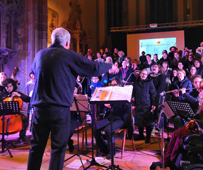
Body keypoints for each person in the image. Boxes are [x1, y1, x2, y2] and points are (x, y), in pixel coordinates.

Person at [27, 27, 112, 170]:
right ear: (67, 43)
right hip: (59, 110)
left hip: (39, 109)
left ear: (53, 40)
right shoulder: (68, 55)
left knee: (36, 148)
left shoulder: (40, 54)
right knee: (58, 149)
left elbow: (35, 72)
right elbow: (94, 68)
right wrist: (110, 65)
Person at [94, 77, 132, 159]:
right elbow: (102, 108)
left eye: (115, 85)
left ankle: (112, 151)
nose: (113, 86)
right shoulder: (110, 94)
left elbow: (127, 110)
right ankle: (104, 148)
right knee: (95, 127)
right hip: (110, 117)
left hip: (120, 118)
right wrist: (104, 105)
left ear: (119, 85)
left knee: (108, 130)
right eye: (112, 85)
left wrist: (126, 102)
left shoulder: (123, 93)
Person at [1, 78, 30, 144]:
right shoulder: (1, 94)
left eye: (10, 86)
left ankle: (22, 137)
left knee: (25, 119)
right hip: (3, 115)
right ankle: (2, 139)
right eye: (6, 86)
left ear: (13, 86)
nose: (8, 88)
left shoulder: (17, 93)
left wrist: (20, 95)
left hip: (15, 115)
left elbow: (29, 99)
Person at [132, 69, 157, 143]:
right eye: (142, 73)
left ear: (147, 75)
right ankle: (141, 135)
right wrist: (133, 104)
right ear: (140, 74)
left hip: (147, 104)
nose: (143, 75)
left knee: (148, 122)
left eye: (145, 74)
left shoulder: (149, 82)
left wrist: (154, 104)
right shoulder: (136, 83)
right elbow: (133, 95)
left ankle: (148, 137)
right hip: (138, 105)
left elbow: (153, 94)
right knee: (139, 121)